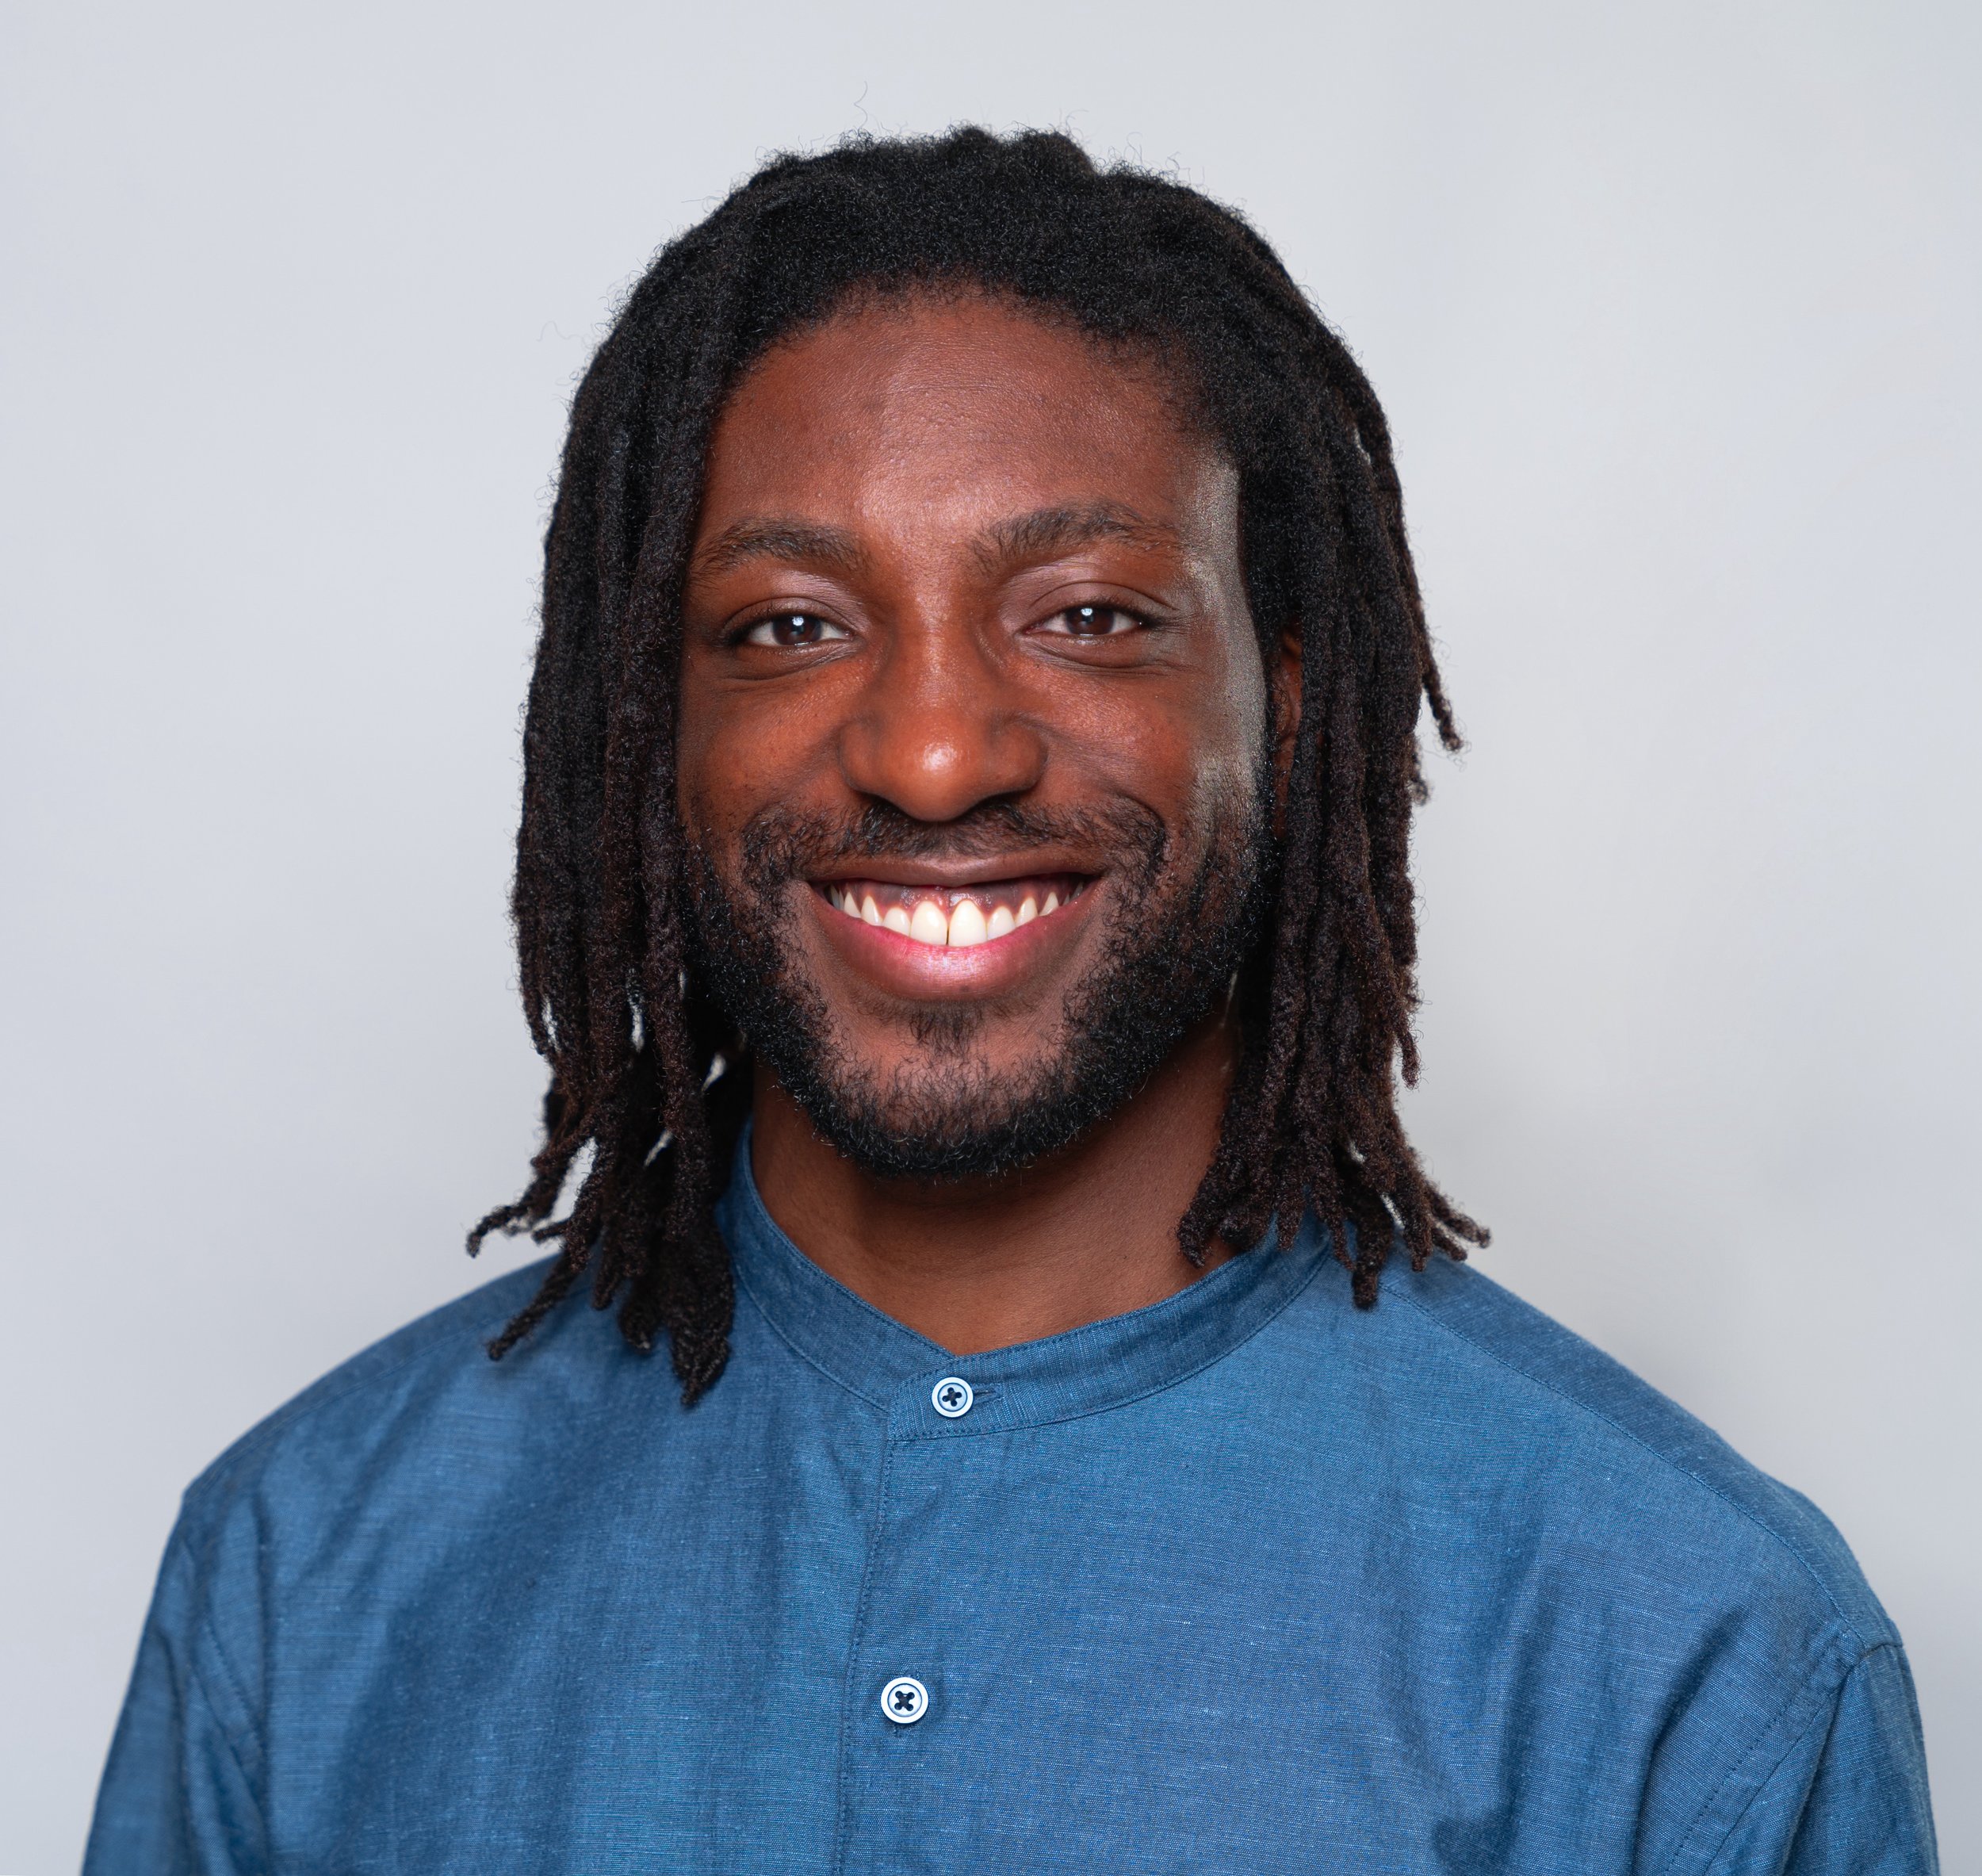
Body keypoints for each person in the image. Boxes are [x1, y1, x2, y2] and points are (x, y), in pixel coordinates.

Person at [85, 128, 1938, 1874]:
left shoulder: (1694, 1648)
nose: (933, 748)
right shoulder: (305, 1567)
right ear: (650, 726)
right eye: (790, 624)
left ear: (1286, 708)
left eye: (1086, 614)